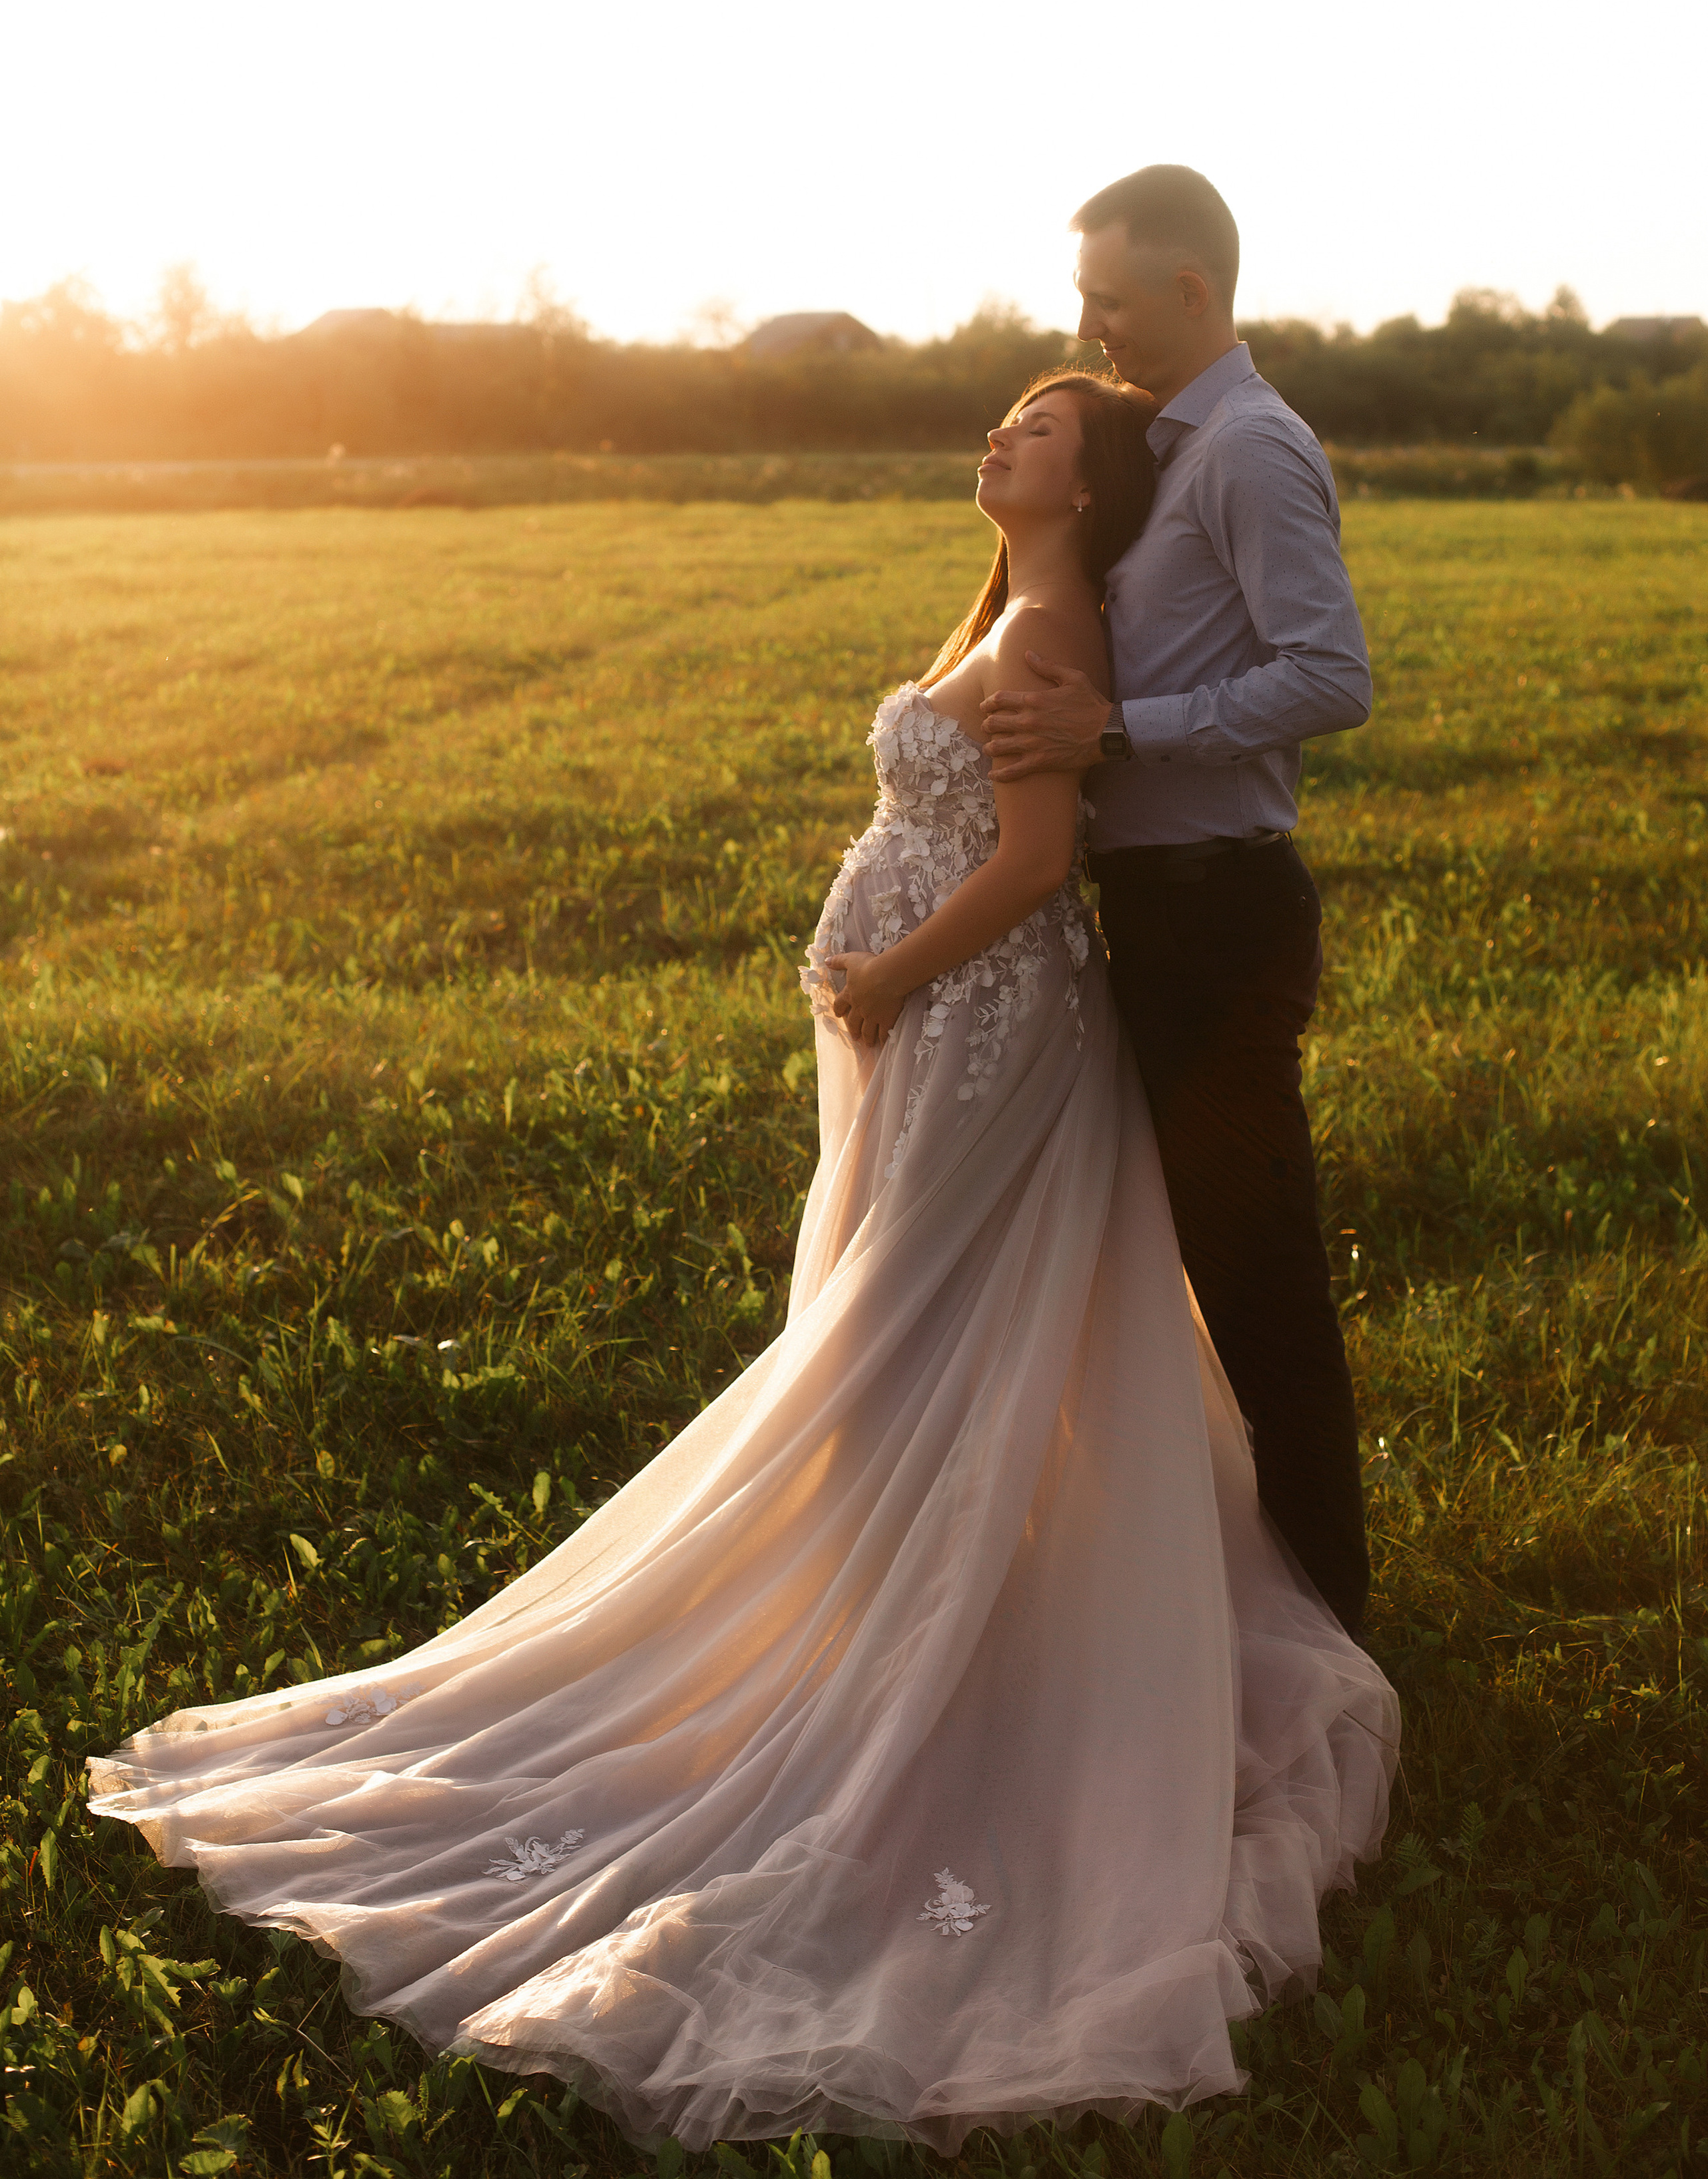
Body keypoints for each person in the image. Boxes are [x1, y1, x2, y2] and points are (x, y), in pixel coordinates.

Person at [90, 372, 1396, 2152]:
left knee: (899, 1333)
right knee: (895, 1326)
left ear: (1088, 491)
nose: (1002, 436)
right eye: (1005, 417)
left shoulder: (1060, 620)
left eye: (1039, 429)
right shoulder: (1009, 602)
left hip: (978, 1022)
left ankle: (900, 1651)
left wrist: (887, 977)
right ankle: (888, 1601)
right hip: (942, 1027)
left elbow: (1029, 862)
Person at [982, 167, 1374, 1640]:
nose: (1085, 323)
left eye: (1107, 298)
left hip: (1217, 919)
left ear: (1192, 292)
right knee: (1176, 1276)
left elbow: (1329, 677)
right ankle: (1209, 1597)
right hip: (1153, 915)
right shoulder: (1168, 448)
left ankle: (1327, 1625)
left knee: (1257, 1280)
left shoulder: (1250, 452)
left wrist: (1122, 737)